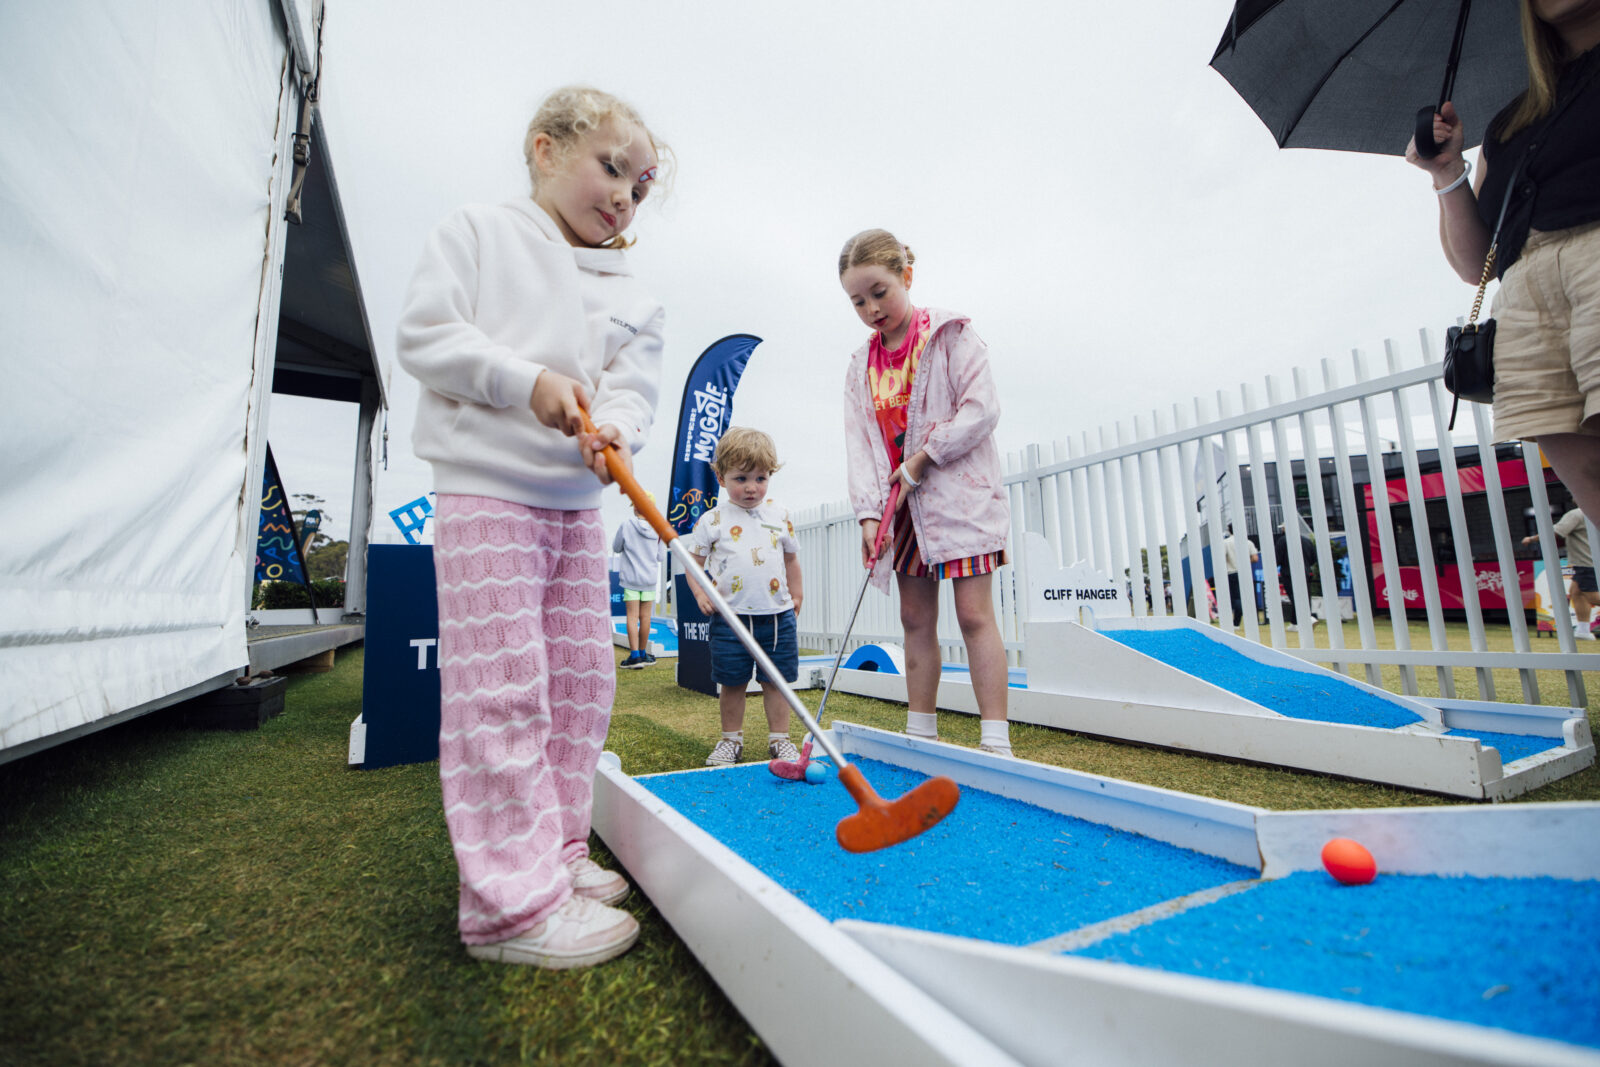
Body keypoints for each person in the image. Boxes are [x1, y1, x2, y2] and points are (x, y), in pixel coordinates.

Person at [395, 86, 669, 970]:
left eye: (641, 186)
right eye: (612, 168)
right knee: (503, 687)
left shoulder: (632, 290)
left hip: (575, 506)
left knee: (583, 683)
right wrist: (527, 381)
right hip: (487, 493)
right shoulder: (477, 231)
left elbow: (631, 387)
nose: (625, 196)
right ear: (545, 149)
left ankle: (554, 852)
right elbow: (426, 336)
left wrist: (615, 428)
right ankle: (509, 905)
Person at [1407, 0, 1600, 526]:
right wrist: (1446, 172)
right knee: (1589, 476)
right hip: (1524, 298)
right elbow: (1476, 264)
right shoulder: (1513, 121)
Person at [838, 229, 1014, 756]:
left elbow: (981, 409)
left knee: (974, 616)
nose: (871, 309)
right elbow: (860, 445)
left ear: (907, 276)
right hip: (902, 510)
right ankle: (920, 735)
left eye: (880, 292)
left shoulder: (951, 336)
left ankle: (996, 741)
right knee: (914, 619)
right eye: (858, 301)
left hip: (960, 500)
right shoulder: (859, 367)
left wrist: (923, 457)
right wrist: (869, 515)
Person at [685, 427, 804, 767]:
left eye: (760, 478)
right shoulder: (712, 520)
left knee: (776, 682)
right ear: (721, 477)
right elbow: (693, 564)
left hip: (777, 616)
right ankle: (730, 741)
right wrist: (699, 592)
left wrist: (797, 593)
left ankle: (780, 740)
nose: (752, 487)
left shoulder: (780, 515)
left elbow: (791, 559)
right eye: (741, 478)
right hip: (729, 618)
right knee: (732, 682)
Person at [1522, 506, 1600, 639]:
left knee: (1592, 597)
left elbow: (1554, 531)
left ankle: (1583, 631)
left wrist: (1531, 539)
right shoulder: (1593, 511)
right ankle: (1583, 631)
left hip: (1586, 563)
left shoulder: (1576, 514)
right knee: (1576, 593)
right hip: (1590, 561)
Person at [613, 493, 666, 668]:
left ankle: (634, 656)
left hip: (630, 579)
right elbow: (661, 557)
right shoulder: (659, 528)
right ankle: (643, 654)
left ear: (636, 507)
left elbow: (616, 547)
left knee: (632, 617)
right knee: (646, 617)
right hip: (649, 580)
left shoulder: (626, 525)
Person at [1222, 525, 1259, 628]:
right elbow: (1255, 558)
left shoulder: (1225, 542)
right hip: (1246, 573)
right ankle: (1252, 620)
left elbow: (1222, 558)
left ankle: (1236, 623)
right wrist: (1245, 562)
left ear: (1229, 531)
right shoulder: (1248, 542)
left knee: (1236, 598)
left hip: (1232, 572)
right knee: (1248, 597)